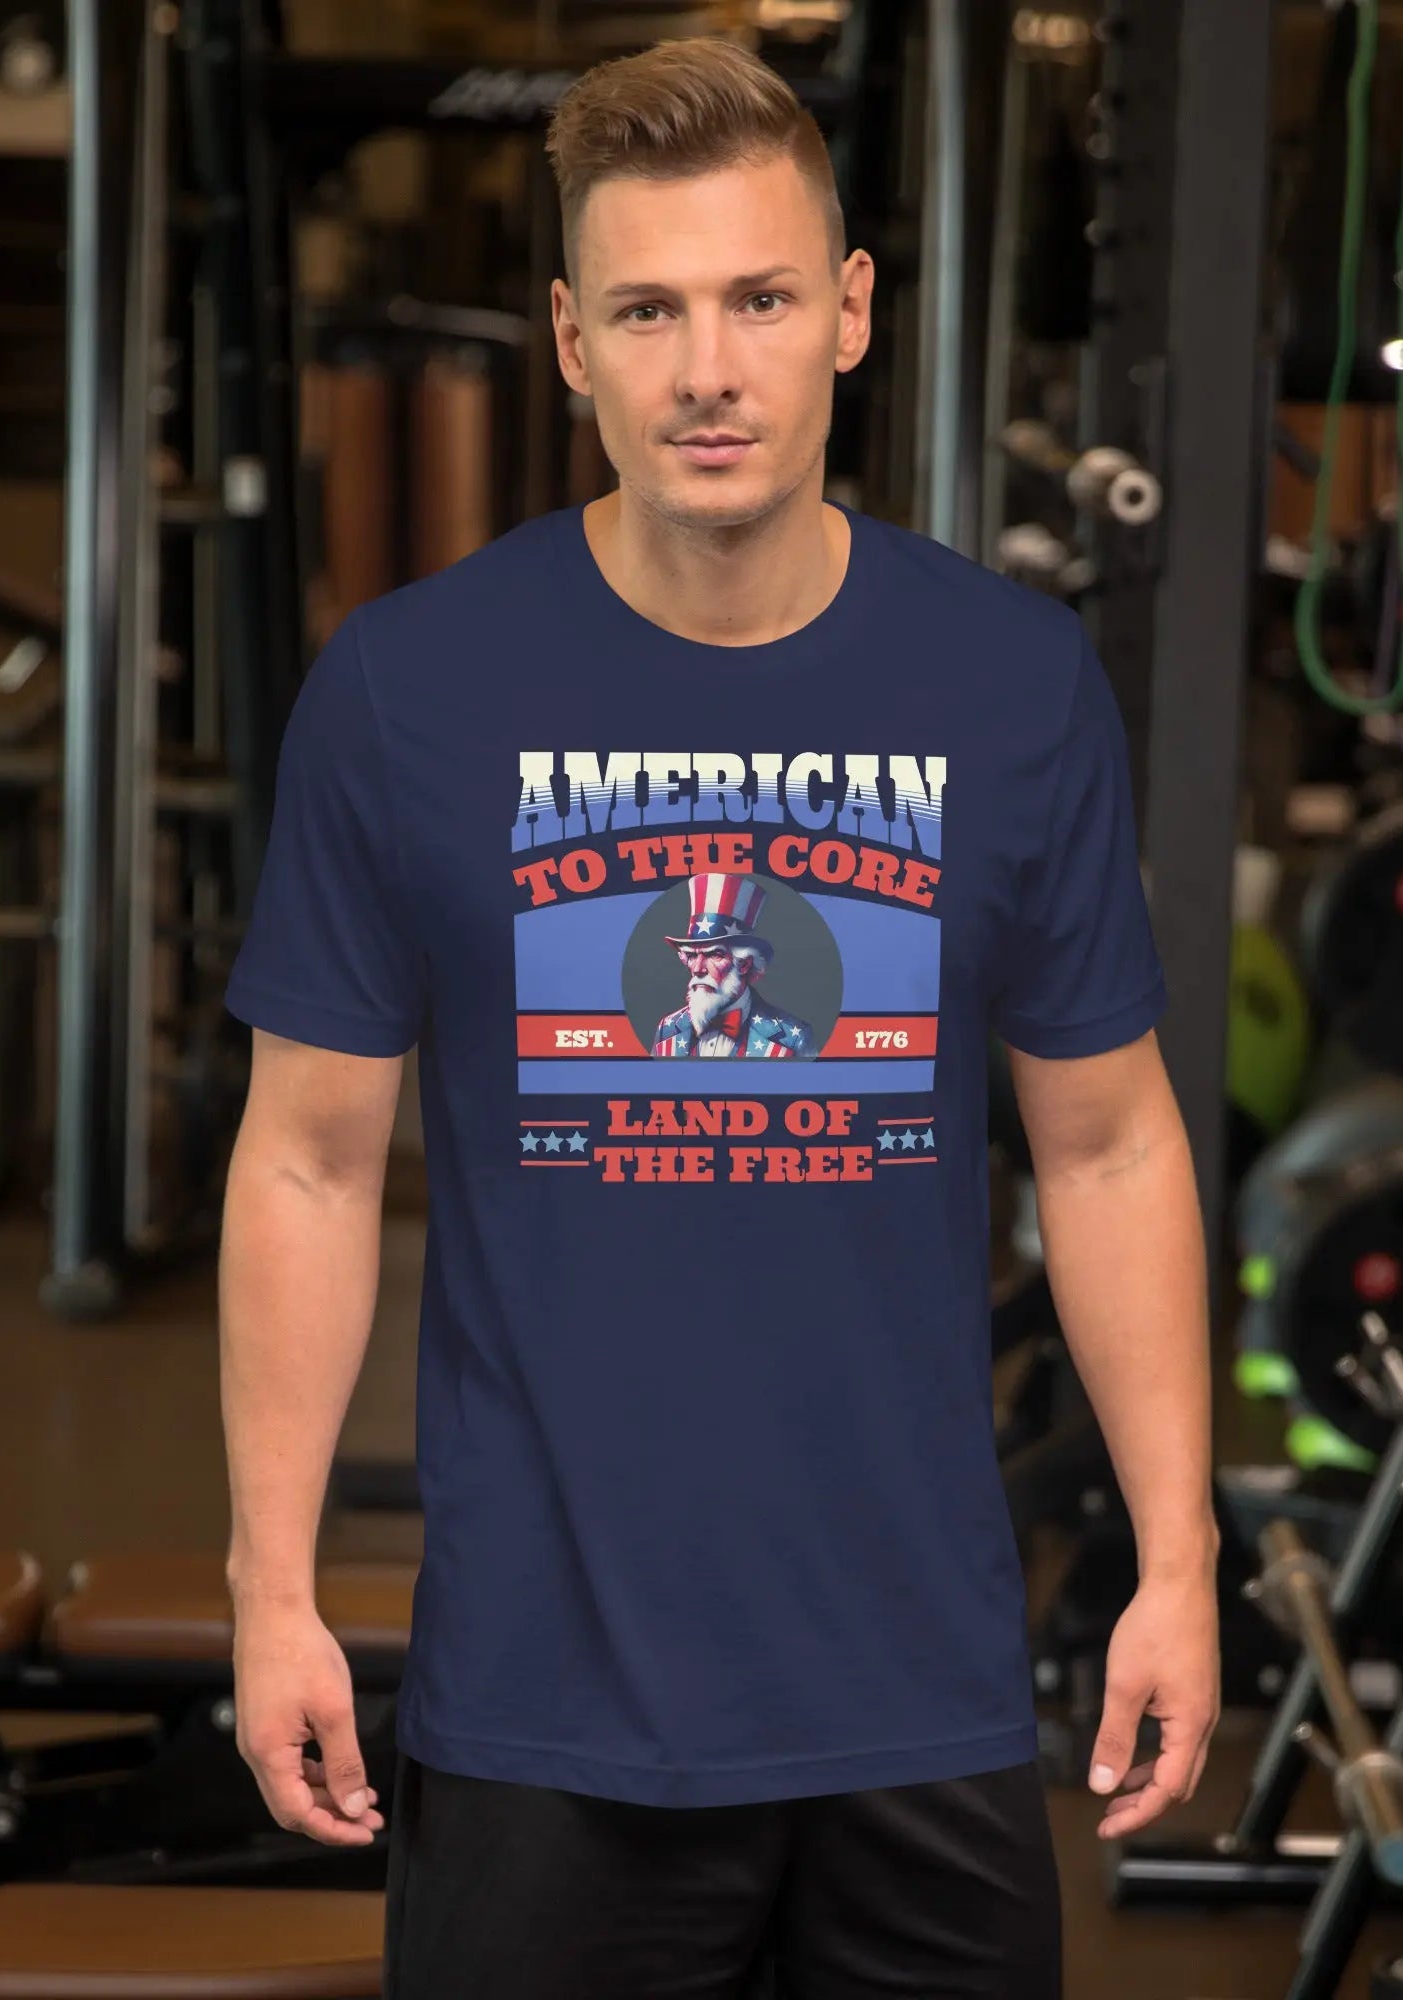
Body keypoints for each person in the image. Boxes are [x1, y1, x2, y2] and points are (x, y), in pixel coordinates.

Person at [219, 34, 1217, 2000]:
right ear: (571, 341)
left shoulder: (1009, 687)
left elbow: (1109, 1139)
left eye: (760, 298)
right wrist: (271, 1588)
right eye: (651, 310)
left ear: (848, 315)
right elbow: (310, 1159)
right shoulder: (411, 690)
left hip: (915, 1696)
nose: (707, 369)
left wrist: (1172, 1565)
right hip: (543, 1703)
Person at [649, 871, 818, 1057]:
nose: (697, 969)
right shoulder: (667, 1029)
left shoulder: (792, 1038)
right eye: (691, 955)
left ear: (744, 964)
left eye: (715, 954)